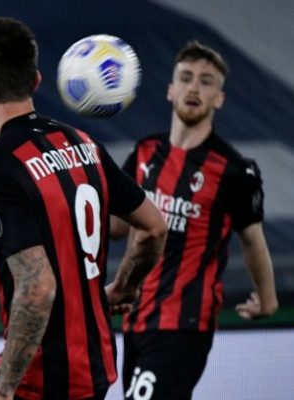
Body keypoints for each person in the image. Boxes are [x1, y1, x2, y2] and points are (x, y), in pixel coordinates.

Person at [0, 17, 167, 400]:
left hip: (40, 384)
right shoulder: (82, 143)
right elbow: (154, 226)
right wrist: (125, 287)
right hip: (97, 369)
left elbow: (37, 288)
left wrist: (3, 392)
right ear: (36, 81)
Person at [113, 40, 278, 400]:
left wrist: (267, 299)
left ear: (219, 98)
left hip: (184, 324)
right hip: (136, 319)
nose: (194, 88)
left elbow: (252, 240)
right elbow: (116, 227)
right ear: (170, 90)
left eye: (206, 81)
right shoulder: (145, 152)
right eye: (186, 78)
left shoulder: (234, 170)